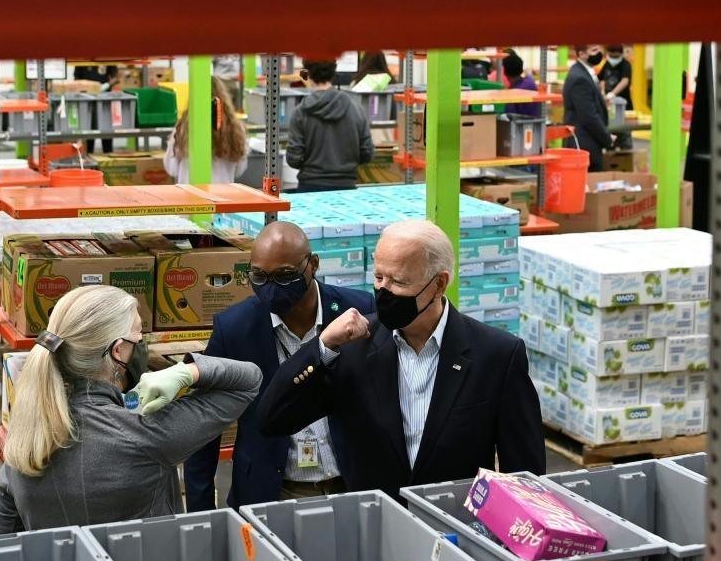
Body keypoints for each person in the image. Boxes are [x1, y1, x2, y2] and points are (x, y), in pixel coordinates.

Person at [257, 220, 546, 500]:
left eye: (398, 281)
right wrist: (320, 346)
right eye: (379, 277)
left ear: (439, 284)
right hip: (376, 530)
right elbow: (273, 419)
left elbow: (525, 476)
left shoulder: (496, 355)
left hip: (456, 531)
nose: (384, 290)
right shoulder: (352, 349)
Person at [0, 285, 261, 533]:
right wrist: (188, 371)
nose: (142, 346)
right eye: (139, 337)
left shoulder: (25, 438)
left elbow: (2, 543)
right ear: (118, 351)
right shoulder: (145, 434)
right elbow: (248, 381)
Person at [184, 222, 373, 511]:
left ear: (313, 265)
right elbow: (203, 427)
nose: (271, 287)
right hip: (272, 492)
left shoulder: (356, 312)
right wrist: (201, 517)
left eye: (284, 276)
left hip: (350, 486)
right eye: (259, 276)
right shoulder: (234, 329)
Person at [287, 60, 374, 192]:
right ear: (333, 73)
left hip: (309, 188)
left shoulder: (300, 112)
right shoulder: (356, 108)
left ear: (308, 74)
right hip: (347, 187)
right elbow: (367, 153)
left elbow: (294, 159)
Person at [163, 77, 248, 184]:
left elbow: (172, 169)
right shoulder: (235, 128)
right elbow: (239, 169)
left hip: (189, 195)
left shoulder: (183, 128)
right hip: (223, 196)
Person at [563, 45, 616, 171]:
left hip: (588, 142)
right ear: (581, 54)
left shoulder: (586, 73)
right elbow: (588, 116)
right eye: (594, 51)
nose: (599, 54)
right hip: (584, 144)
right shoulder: (580, 78)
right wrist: (607, 137)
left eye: (599, 49)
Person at [73, 64, 119, 154]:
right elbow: (76, 78)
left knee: (106, 131)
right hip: (86, 101)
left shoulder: (106, 56)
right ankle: (89, 156)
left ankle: (108, 157)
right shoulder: (82, 58)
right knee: (89, 130)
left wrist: (106, 85)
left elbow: (115, 77)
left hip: (105, 99)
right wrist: (84, 88)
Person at [599, 44, 633, 149]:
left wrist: (613, 93)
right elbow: (600, 79)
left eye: (616, 57)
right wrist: (601, 92)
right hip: (609, 105)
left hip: (623, 105)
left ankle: (624, 155)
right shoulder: (607, 64)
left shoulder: (625, 65)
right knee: (610, 130)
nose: (613, 59)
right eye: (611, 56)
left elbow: (625, 81)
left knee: (623, 132)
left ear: (621, 54)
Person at [502, 49, 541, 118]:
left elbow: (508, 116)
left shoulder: (511, 94)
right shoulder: (530, 82)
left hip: (519, 126)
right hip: (536, 123)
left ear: (505, 72)